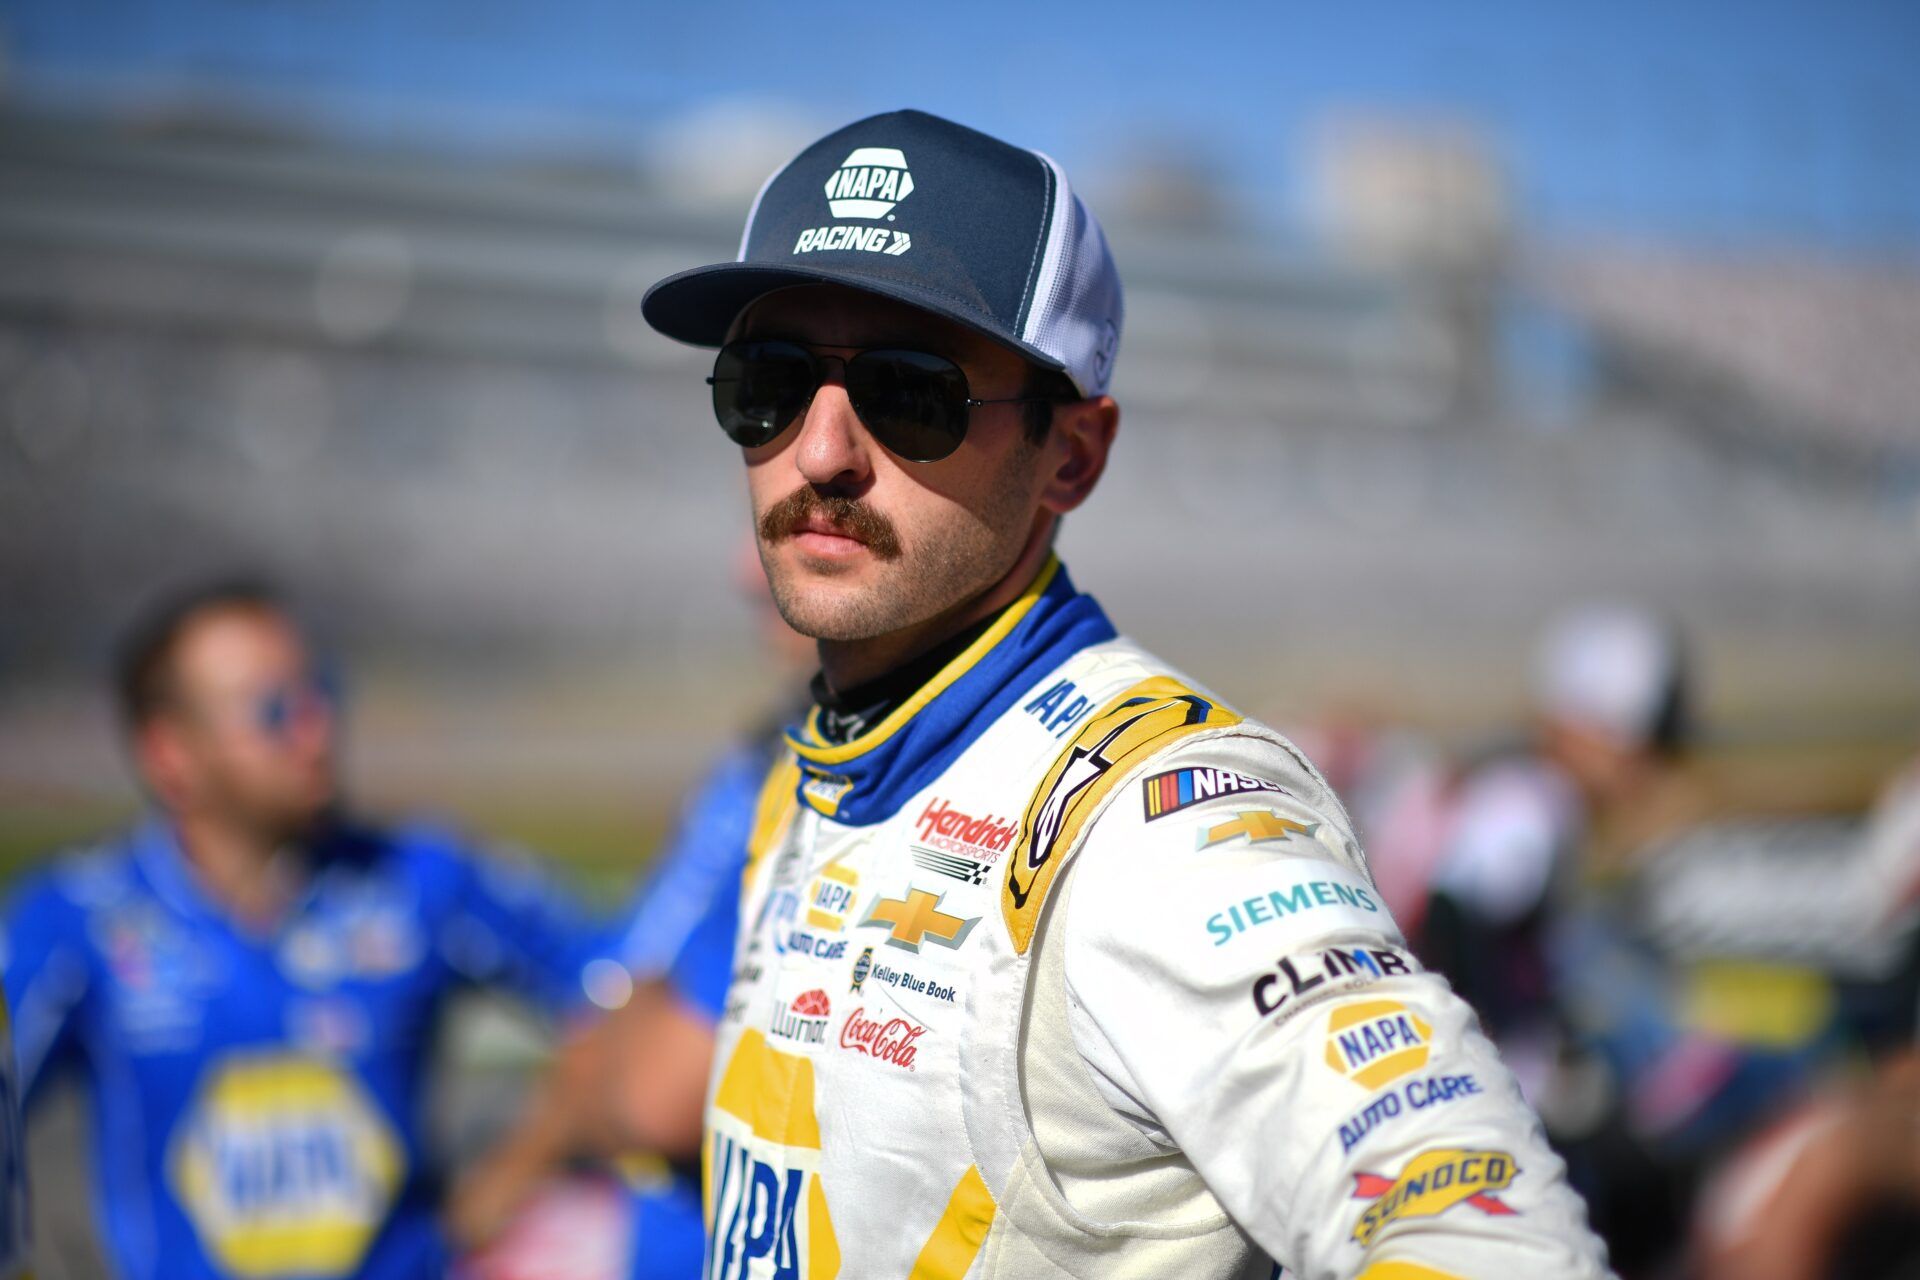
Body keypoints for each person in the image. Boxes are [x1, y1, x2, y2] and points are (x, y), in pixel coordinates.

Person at [625, 108, 1612, 1277]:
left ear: (1072, 456)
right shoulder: (818, 758)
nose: (822, 449)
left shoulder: (1159, 821)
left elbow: (1480, 1228)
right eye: (770, 381)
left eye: (910, 391)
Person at [1, 580, 602, 1280]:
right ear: (171, 753)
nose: (317, 731)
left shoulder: (419, 879)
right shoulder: (79, 919)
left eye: (321, 693)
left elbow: (631, 990)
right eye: (275, 711)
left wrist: (519, 1166)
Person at [448, 546, 815, 1280]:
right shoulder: (759, 760)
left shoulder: (824, 786)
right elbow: (620, 981)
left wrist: (524, 1156)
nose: (750, 574)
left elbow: (653, 1083)